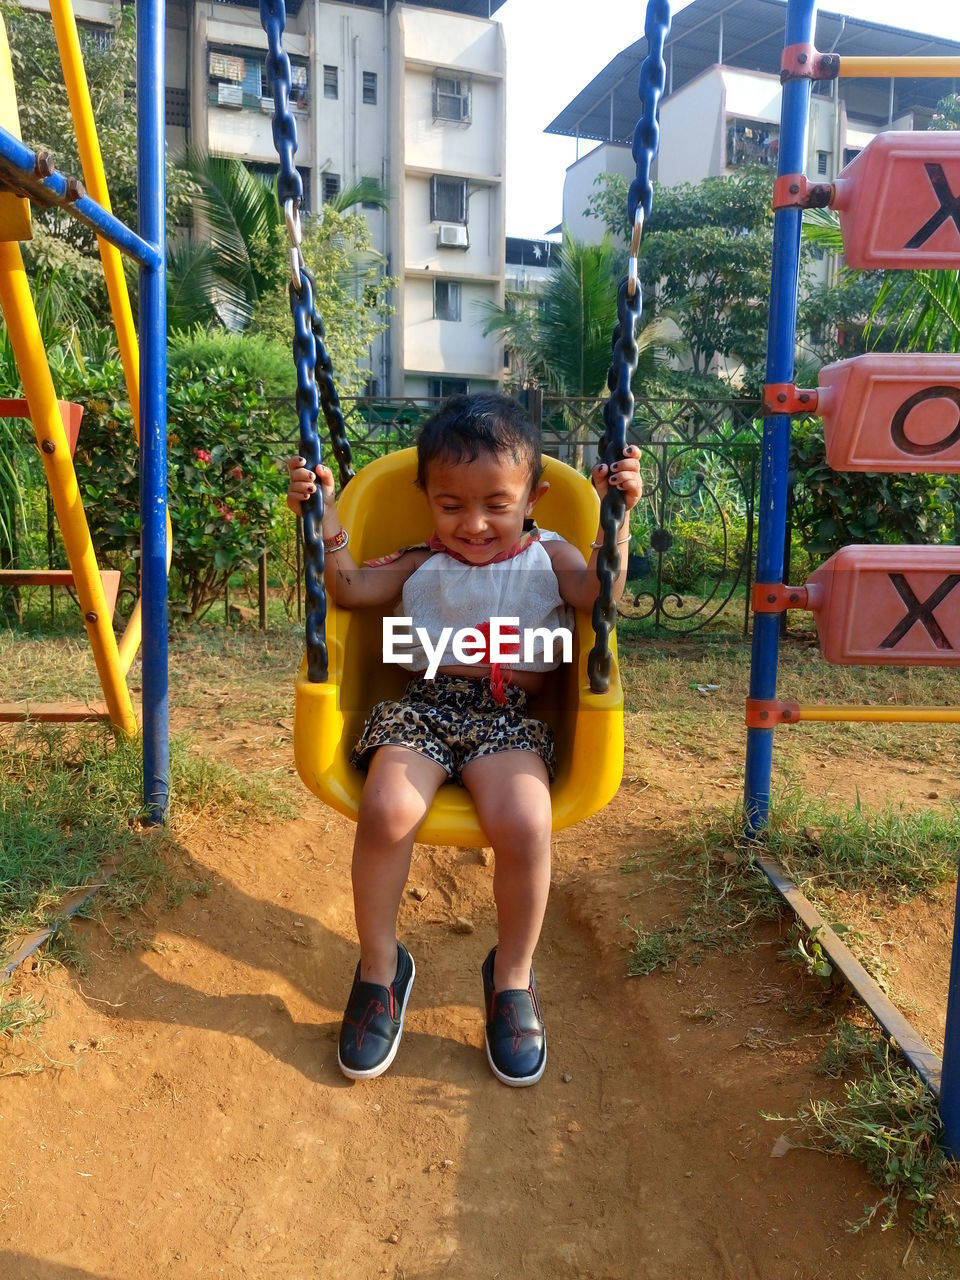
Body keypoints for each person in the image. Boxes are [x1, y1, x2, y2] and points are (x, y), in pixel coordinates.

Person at [286, 394, 641, 1087]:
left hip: (506, 720)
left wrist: (615, 518)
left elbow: (599, 596)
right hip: (421, 711)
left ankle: (511, 979)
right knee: (386, 809)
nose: (473, 524)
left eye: (495, 505)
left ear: (533, 496)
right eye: (450, 505)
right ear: (426, 498)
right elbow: (351, 589)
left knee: (525, 819)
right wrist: (323, 511)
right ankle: (381, 968)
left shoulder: (552, 555)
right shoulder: (422, 559)